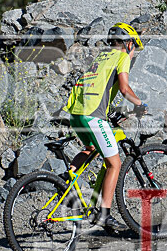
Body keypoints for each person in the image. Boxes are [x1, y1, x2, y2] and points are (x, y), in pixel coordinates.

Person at [63, 22, 148, 232]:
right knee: (115, 164)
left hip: (77, 113)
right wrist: (140, 105)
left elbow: (98, 89)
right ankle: (104, 215)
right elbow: (124, 88)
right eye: (134, 48)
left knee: (92, 147)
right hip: (93, 116)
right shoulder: (121, 57)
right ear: (128, 44)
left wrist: (111, 112)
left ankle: (66, 181)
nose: (133, 53)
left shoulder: (101, 58)